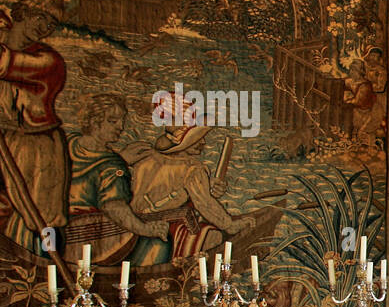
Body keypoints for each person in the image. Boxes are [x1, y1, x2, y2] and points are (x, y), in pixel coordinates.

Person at [122, 121, 253, 265]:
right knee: (213, 235)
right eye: (197, 139)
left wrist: (206, 186)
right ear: (184, 142)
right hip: (162, 228)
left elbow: (163, 191)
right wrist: (230, 225)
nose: (203, 142)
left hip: (130, 227)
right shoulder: (192, 168)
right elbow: (205, 205)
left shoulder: (146, 159)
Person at [0, 0, 69, 252]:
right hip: (5, 137)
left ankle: (49, 274)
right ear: (24, 12)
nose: (45, 28)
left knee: (41, 218)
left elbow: (7, 63)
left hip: (35, 145)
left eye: (52, 24)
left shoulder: (49, 61)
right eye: (41, 18)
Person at [65, 94, 168, 263]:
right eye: (112, 121)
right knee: (159, 243)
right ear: (93, 121)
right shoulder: (113, 165)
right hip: (89, 239)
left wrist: (121, 159)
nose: (120, 127)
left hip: (56, 233)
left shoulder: (69, 143)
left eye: (122, 121)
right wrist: (146, 229)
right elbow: (115, 207)